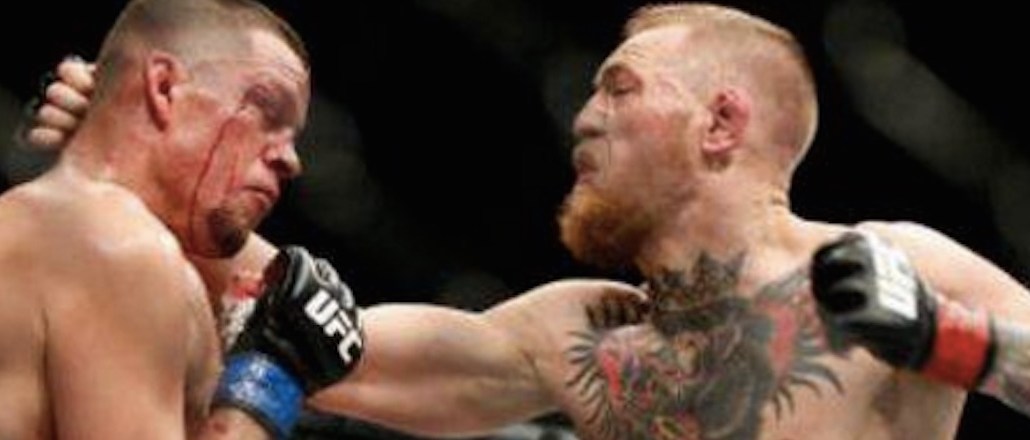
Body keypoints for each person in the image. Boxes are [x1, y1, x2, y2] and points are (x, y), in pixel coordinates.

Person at [30, 2, 1030, 439]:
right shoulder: (578, 335)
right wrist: (144, 152)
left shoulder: (887, 262)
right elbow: (309, 327)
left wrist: (946, 339)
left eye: (620, 89)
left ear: (721, 122)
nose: (583, 118)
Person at [0, 0, 366, 438]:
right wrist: (268, 384)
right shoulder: (116, 241)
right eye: (267, 110)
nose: (291, 160)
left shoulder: (50, 225)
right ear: (165, 86)